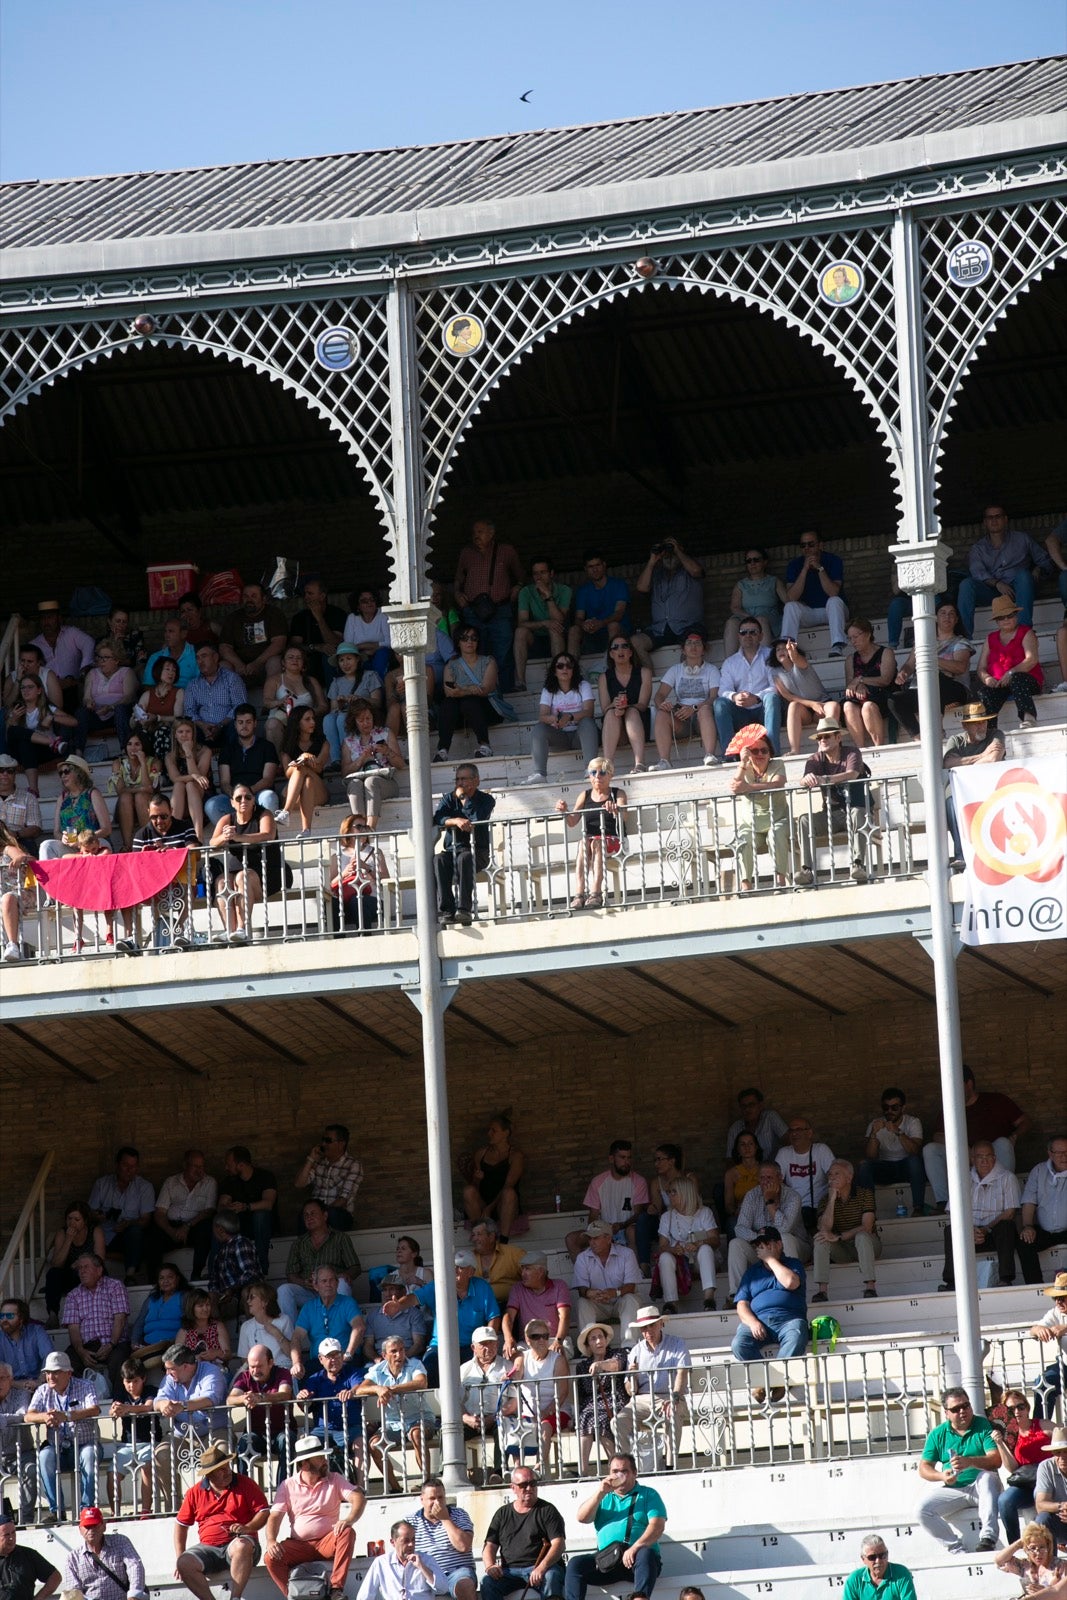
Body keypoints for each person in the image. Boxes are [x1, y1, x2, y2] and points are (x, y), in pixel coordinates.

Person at [264, 1434, 364, 1600]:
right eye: (319, 1458)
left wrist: (349, 1519)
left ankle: (336, 1589)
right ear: (305, 1464)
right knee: (270, 1557)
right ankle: (292, 1595)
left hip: (327, 1541)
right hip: (299, 1545)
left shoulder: (335, 1479)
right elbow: (275, 1517)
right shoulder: (287, 1485)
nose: (326, 1460)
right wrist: (271, 1540)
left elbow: (358, 1498)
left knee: (347, 1532)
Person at [563, 1453, 666, 1600]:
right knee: (575, 1564)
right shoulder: (603, 1497)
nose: (619, 1475)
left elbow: (657, 1526)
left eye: (624, 1471)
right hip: (607, 1561)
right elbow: (582, 1517)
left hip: (638, 1562)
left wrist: (635, 1548)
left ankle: (640, 1598)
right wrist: (600, 1492)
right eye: (615, 1472)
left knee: (646, 1554)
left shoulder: (648, 1494)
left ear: (635, 1473)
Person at [923, 1065, 1029, 1209]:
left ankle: (1004, 1194)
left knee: (1004, 1143)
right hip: (964, 1159)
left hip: (992, 1156)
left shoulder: (996, 1100)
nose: (951, 1090)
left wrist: (1015, 1136)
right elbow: (937, 1136)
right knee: (930, 1149)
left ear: (969, 1084)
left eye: (955, 1084)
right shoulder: (949, 1108)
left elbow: (1024, 1121)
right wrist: (962, 1147)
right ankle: (944, 1203)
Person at [173, 1441, 269, 1600]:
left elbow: (263, 1512)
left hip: (240, 1544)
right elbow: (181, 1526)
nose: (228, 1472)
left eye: (228, 1466)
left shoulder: (245, 1483)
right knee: (183, 1563)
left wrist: (247, 1527)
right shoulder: (194, 1493)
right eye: (221, 1470)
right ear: (209, 1474)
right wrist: (179, 1556)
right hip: (208, 1548)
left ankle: (235, 1598)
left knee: (241, 1545)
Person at [917, 1387, 1001, 1552]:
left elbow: (996, 1460)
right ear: (946, 1412)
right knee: (921, 1510)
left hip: (982, 1488)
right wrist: (942, 1476)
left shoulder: (982, 1425)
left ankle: (988, 1538)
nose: (963, 1411)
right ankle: (956, 1548)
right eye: (956, 1409)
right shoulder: (938, 1434)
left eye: (966, 1405)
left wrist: (969, 1461)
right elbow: (924, 1468)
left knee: (986, 1478)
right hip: (954, 1488)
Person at [794, 716, 873, 887]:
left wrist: (825, 779)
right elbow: (802, 781)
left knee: (858, 813)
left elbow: (852, 774)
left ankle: (858, 865)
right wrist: (807, 779)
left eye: (827, 736)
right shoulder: (814, 759)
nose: (822, 740)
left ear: (838, 738)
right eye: (819, 737)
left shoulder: (852, 752)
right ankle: (806, 869)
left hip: (856, 809)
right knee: (804, 820)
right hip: (831, 814)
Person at [400, 1252, 500, 1386]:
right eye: (452, 1266)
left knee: (479, 1376)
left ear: (471, 1272)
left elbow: (494, 1317)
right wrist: (397, 1305)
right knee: (429, 1369)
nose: (454, 1270)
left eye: (460, 1267)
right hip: (440, 1346)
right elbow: (414, 1298)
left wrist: (486, 1343)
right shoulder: (439, 1285)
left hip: (471, 1347)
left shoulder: (482, 1287)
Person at [207, 786, 292, 943]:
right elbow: (213, 842)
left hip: (268, 872)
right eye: (239, 798)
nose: (243, 801)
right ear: (232, 802)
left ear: (254, 800)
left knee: (242, 877)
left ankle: (242, 929)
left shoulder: (263, 814)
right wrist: (224, 837)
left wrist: (239, 837)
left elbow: (268, 834)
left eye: (248, 797)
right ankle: (229, 931)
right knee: (221, 881)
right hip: (239, 869)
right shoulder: (227, 819)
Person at [24, 1350, 100, 1522]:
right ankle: (57, 1511)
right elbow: (29, 1415)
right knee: (44, 1456)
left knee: (89, 1455)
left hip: (83, 1444)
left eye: (56, 1372)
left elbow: (95, 1409)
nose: (51, 1376)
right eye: (48, 1372)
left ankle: (86, 1510)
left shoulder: (85, 1385)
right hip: (57, 1447)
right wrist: (45, 1417)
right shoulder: (43, 1390)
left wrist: (66, 1416)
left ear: (68, 1373)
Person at [956, 505, 1052, 636]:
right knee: (966, 584)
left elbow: (1045, 560)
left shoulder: (1022, 539)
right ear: (985, 522)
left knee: (1024, 575)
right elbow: (977, 573)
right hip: (993, 592)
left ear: (1006, 519)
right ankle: (964, 637)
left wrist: (1038, 569)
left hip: (1020, 589)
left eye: (998, 516)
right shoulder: (978, 548)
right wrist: (997, 584)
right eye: (990, 517)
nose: (994, 520)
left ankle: (1024, 631)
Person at [939, 1140, 1021, 1291]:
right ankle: (952, 1282)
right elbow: (952, 1210)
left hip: (994, 1232)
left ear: (994, 1158)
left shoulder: (1007, 1177)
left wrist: (986, 1229)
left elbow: (1010, 1213)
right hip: (970, 1232)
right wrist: (971, 1229)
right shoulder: (962, 1178)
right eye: (979, 1157)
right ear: (972, 1159)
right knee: (950, 1230)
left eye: (988, 1156)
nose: (984, 1161)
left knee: (1007, 1226)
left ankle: (1005, 1279)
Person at [357, 1335, 436, 1490]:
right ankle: (396, 1488)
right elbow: (360, 1390)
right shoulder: (377, 1370)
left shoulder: (415, 1364)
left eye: (401, 1350)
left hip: (419, 1419)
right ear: (384, 1355)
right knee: (373, 1445)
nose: (399, 1355)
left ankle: (427, 1484)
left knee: (415, 1434)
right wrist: (377, 1388)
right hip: (392, 1424)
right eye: (393, 1351)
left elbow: (421, 1382)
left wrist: (390, 1390)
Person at [453, 519, 524, 689]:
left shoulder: (506, 551)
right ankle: (480, 690)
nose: (476, 536)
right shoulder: (466, 553)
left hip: (500, 609)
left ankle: (506, 691)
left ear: (491, 533)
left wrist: (518, 587)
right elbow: (458, 579)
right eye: (474, 533)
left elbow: (520, 575)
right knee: (476, 651)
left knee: (504, 651)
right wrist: (457, 593)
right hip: (473, 611)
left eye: (480, 532)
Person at [614, 1306, 689, 1462]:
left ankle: (671, 1465)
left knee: (672, 1412)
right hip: (642, 1400)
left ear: (661, 1323)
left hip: (669, 1395)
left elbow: (682, 1373)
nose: (647, 1331)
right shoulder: (635, 1350)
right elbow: (630, 1391)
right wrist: (632, 1375)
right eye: (643, 1328)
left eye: (652, 1325)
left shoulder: (677, 1343)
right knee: (617, 1421)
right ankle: (627, 1466)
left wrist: (674, 1397)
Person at [889, 601, 972, 739]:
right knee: (894, 699)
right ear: (936, 618)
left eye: (952, 614)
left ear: (957, 619)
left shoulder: (960, 642)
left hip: (953, 690)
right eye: (943, 613)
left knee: (935, 676)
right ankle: (919, 736)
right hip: (921, 690)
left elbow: (960, 667)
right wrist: (903, 672)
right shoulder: (923, 643)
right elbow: (909, 664)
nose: (947, 617)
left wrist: (930, 659)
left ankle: (937, 730)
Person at [481, 1468, 566, 1600]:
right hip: (510, 1572)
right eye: (523, 1485)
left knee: (551, 1577)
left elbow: (559, 1544)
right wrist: (490, 1566)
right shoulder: (502, 1514)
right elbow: (489, 1546)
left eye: (532, 1483)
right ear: (513, 1488)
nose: (529, 1488)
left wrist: (542, 1567)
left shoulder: (548, 1510)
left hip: (542, 1568)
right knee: (488, 1583)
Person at [727, 1165, 807, 1305]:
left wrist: (769, 1202)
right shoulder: (752, 1195)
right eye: (762, 1178)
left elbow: (784, 1228)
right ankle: (737, 1296)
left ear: (780, 1178)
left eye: (769, 1178)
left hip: (794, 1246)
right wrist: (758, 1240)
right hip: (763, 1248)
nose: (765, 1182)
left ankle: (791, 1288)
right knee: (735, 1244)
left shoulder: (793, 1196)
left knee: (786, 1238)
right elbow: (740, 1228)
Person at [555, 757, 626, 910]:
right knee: (583, 843)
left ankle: (596, 893)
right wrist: (565, 811)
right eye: (593, 772)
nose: (597, 776)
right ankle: (579, 894)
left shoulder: (617, 794)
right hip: (590, 841)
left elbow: (624, 816)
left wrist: (615, 809)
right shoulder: (585, 795)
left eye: (602, 772)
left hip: (613, 840)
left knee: (597, 843)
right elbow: (573, 822)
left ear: (610, 775)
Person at [731, 1227, 808, 1361]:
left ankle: (778, 1378)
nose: (762, 1247)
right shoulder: (751, 1272)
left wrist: (770, 1259)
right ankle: (767, 1376)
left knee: (797, 1335)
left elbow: (791, 1283)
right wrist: (753, 1322)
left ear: (779, 1244)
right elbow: (742, 1304)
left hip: (789, 1321)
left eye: (767, 1243)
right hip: (759, 1322)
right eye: (759, 1245)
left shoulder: (793, 1264)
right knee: (739, 1344)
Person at [727, 724, 789, 891]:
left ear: (770, 753)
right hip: (751, 824)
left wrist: (748, 788)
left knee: (776, 835)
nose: (760, 754)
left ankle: (780, 881)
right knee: (743, 840)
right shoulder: (744, 768)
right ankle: (746, 885)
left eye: (764, 750)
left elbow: (778, 784)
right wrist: (742, 763)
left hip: (778, 819)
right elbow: (734, 787)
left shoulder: (778, 764)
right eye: (755, 751)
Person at [942, 702, 1006, 865]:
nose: (982, 726)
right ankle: (961, 855)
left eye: (983, 721)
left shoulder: (996, 734)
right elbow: (948, 763)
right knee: (951, 803)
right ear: (965, 725)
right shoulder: (955, 740)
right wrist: (982, 755)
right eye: (976, 723)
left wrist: (963, 764)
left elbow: (993, 759)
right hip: (964, 792)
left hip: (991, 789)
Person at [277, 1200, 359, 1325]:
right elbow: (291, 1275)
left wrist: (343, 1275)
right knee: (284, 1290)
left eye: (313, 1213)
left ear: (325, 1216)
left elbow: (355, 1267)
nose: (309, 1218)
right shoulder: (299, 1243)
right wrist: (304, 1282)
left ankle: (339, 1327)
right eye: (306, 1215)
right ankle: (291, 1339)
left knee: (342, 1283)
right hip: (309, 1292)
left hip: (332, 1289)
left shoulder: (340, 1238)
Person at [566, 1140, 649, 1262]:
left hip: (627, 1229)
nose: (627, 1162)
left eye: (629, 1158)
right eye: (622, 1157)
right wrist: (601, 1229)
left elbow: (638, 1215)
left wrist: (621, 1225)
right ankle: (582, 1277)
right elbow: (593, 1216)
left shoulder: (639, 1181)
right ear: (611, 1159)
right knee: (571, 1239)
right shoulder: (598, 1182)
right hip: (604, 1231)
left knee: (632, 1232)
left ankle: (636, 1273)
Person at [811, 1160, 881, 1302]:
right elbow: (824, 1229)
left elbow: (867, 1226)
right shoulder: (824, 1200)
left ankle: (870, 1287)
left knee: (861, 1236)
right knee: (820, 1238)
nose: (832, 1177)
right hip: (843, 1250)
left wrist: (840, 1237)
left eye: (837, 1174)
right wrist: (831, 1199)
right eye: (830, 1174)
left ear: (849, 1178)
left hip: (868, 1245)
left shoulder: (865, 1194)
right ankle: (822, 1292)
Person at [62, 1251, 131, 1396]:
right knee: (67, 1362)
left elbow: (120, 1319)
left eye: (86, 1267)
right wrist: (81, 1351)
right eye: (80, 1268)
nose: (82, 1271)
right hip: (87, 1345)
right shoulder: (73, 1295)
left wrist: (111, 1344)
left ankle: (119, 1403)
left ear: (99, 1270)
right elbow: (73, 1328)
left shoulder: (115, 1286)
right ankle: (76, 1404)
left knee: (119, 1361)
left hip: (114, 1342)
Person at [631, 537, 706, 668]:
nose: (669, 555)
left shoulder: (689, 570)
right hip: (660, 629)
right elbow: (641, 587)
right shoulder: (656, 574)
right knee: (635, 642)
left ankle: (686, 682)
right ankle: (651, 683)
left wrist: (677, 550)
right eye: (666, 552)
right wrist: (652, 561)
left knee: (691, 646)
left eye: (671, 550)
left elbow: (696, 571)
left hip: (688, 627)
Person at [651, 627, 720, 769]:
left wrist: (694, 708)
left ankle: (709, 755)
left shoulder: (712, 670)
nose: (693, 646)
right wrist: (661, 704)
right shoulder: (675, 670)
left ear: (703, 649)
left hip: (702, 717)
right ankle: (664, 761)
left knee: (705, 709)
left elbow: (714, 697)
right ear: (683, 649)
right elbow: (659, 695)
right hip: (681, 717)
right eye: (689, 643)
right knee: (661, 714)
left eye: (697, 643)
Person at [294, 1338, 365, 1474]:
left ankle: (360, 1487)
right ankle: (309, 1486)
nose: (333, 1360)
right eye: (329, 1356)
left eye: (337, 1355)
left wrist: (352, 1392)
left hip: (351, 1428)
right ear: (321, 1359)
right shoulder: (314, 1379)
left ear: (342, 1355)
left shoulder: (353, 1372)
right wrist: (302, 1398)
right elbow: (306, 1408)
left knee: (360, 1444)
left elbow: (360, 1386)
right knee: (304, 1443)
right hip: (322, 1430)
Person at [714, 621, 783, 757]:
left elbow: (777, 686)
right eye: (743, 632)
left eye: (753, 632)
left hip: (763, 709)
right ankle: (730, 756)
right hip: (741, 711)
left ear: (761, 636)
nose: (748, 635)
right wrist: (735, 697)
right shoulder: (730, 662)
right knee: (719, 703)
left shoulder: (771, 655)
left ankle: (772, 752)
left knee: (772, 697)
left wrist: (756, 698)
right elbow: (723, 690)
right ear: (738, 636)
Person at [528, 653, 599, 783]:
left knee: (588, 722)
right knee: (539, 728)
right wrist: (553, 719)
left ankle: (591, 770)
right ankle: (540, 774)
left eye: (569, 665)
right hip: (559, 736)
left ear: (574, 669)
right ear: (554, 671)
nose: (565, 669)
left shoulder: (583, 685)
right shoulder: (548, 689)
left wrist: (570, 717)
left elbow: (589, 712)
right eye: (560, 666)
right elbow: (542, 716)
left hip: (580, 736)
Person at [992, 1388, 1051, 1544]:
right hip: (1026, 1483)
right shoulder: (1009, 1436)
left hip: (1047, 1480)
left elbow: (1062, 1438)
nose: (1017, 1411)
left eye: (1021, 1407)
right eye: (1011, 1409)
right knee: (1004, 1500)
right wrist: (1000, 1443)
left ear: (1027, 1408)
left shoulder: (1042, 1425)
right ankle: (1016, 1544)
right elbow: (1012, 1468)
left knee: (1042, 1504)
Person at [974, 594, 1043, 726]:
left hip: (1026, 680)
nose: (1006, 619)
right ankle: (990, 730)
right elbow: (981, 667)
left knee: (1017, 679)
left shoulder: (1026, 632)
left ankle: (1028, 718)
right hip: (1000, 684)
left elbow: (1031, 659)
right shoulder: (990, 638)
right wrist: (987, 678)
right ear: (996, 621)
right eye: (1001, 617)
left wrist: (1011, 672)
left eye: (1010, 615)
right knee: (985, 693)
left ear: (1016, 616)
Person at [226, 1344, 294, 1478]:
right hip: (255, 1433)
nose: (255, 1370)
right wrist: (244, 1398)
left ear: (270, 1362)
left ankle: (283, 1491)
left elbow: (285, 1394)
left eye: (259, 1366)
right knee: (244, 1444)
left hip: (281, 1431)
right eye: (252, 1366)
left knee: (287, 1440)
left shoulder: (283, 1373)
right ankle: (244, 1492)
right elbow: (230, 1399)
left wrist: (261, 1397)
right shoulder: (244, 1377)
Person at [208, 704, 281, 827]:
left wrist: (247, 793)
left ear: (255, 723)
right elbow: (225, 782)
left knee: (269, 797)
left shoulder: (267, 746)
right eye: (240, 722)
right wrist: (236, 796)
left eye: (248, 722)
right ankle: (233, 840)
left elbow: (268, 779)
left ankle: (267, 835)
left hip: (258, 794)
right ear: (235, 724)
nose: (244, 726)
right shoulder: (227, 749)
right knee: (212, 805)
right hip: (234, 797)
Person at [88, 1149, 155, 1283]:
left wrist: (128, 1224)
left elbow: (146, 1220)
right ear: (117, 1165)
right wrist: (99, 1216)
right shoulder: (102, 1184)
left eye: (133, 1166)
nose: (129, 1169)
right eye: (125, 1165)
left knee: (136, 1233)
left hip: (129, 1236)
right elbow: (90, 1213)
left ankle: (130, 1275)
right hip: (105, 1235)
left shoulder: (144, 1187)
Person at [457, 1325, 514, 1480]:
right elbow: (454, 1400)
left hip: (496, 1417)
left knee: (503, 1426)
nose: (488, 1347)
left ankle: (499, 1472)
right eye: (483, 1344)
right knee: (449, 1429)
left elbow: (515, 1399)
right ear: (473, 1347)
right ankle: (451, 1473)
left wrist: (494, 1417)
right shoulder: (464, 1370)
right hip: (471, 1419)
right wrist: (465, 1417)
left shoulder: (508, 1367)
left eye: (491, 1343)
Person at [288, 1268, 365, 1385]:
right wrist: (297, 1362)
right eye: (324, 1281)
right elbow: (296, 1337)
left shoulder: (348, 1303)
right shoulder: (309, 1308)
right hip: (319, 1362)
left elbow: (359, 1327)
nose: (328, 1284)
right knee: (301, 1379)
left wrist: (348, 1354)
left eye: (331, 1280)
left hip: (345, 1360)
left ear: (337, 1283)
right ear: (316, 1285)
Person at [435, 626, 501, 762]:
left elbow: (486, 689)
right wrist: (471, 689)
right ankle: (442, 750)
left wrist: (463, 691)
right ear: (458, 642)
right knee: (448, 703)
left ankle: (485, 746)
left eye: (473, 638)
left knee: (469, 702)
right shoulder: (451, 665)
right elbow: (449, 692)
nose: (469, 641)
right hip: (460, 714)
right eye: (464, 638)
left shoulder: (489, 661)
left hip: (488, 710)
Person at [857, 1089, 926, 1217]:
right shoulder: (875, 1123)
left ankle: (918, 1208)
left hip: (906, 1167)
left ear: (903, 1108)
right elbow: (871, 1156)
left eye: (894, 1107)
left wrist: (898, 1132)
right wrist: (873, 1134)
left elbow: (914, 1151)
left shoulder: (913, 1122)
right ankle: (869, 1213)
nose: (889, 1111)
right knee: (864, 1165)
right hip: (885, 1168)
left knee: (915, 1161)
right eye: (886, 1107)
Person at [654, 1177, 719, 1313]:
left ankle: (709, 1300)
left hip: (699, 1261)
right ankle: (671, 1304)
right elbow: (661, 1247)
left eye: (674, 1192)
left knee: (706, 1249)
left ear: (685, 1193)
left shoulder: (704, 1212)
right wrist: (673, 1249)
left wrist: (699, 1243)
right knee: (665, 1257)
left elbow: (715, 1240)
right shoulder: (667, 1216)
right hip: (680, 1262)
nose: (669, 1195)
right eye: (669, 1192)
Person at [150, 1149, 217, 1279]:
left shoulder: (210, 1183)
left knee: (206, 1228)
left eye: (202, 1166)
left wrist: (187, 1226)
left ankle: (196, 1275)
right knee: (153, 1235)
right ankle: (155, 1280)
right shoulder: (171, 1182)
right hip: (172, 1228)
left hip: (194, 1227)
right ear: (185, 1165)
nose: (199, 1170)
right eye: (195, 1166)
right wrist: (171, 1231)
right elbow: (159, 1212)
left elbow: (210, 1212)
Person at [106, 1356, 160, 1516]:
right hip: (126, 1445)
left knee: (146, 1467)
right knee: (111, 1474)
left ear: (143, 1379)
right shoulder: (120, 1395)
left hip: (149, 1442)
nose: (131, 1385)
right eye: (127, 1381)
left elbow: (148, 1407)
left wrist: (127, 1409)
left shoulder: (151, 1390)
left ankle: (145, 1510)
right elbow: (112, 1411)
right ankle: (115, 1513)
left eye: (135, 1381)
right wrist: (115, 1410)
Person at [780, 530, 849, 656]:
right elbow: (791, 597)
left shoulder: (833, 560)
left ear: (820, 545)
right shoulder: (795, 565)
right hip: (809, 613)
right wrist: (805, 569)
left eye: (811, 544)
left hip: (833, 611)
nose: (807, 548)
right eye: (803, 545)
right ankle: (786, 648)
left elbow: (833, 592)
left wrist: (819, 568)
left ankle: (837, 646)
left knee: (834, 601)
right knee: (790, 606)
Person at [410, 1477, 477, 1600]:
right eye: (432, 1498)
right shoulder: (411, 1522)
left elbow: (463, 1546)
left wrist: (445, 1518)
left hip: (457, 1572)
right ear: (422, 1500)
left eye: (440, 1498)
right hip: (426, 1574)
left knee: (465, 1585)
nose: (437, 1502)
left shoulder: (459, 1514)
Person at [340, 698, 404, 827]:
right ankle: (359, 827)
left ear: (373, 717)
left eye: (368, 718)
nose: (365, 723)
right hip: (360, 782)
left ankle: (370, 829)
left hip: (386, 783)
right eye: (361, 720)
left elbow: (401, 764)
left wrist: (387, 751)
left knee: (371, 781)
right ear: (354, 722)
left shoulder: (385, 733)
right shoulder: (349, 742)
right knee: (354, 784)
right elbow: (344, 772)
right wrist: (361, 759)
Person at [769, 637, 837, 756]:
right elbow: (788, 696)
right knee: (793, 705)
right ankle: (794, 750)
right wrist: (811, 704)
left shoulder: (801, 663)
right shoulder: (776, 673)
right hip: (804, 710)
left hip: (822, 703)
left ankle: (828, 745)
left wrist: (793, 653)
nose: (781, 651)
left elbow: (796, 659)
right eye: (777, 650)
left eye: (784, 648)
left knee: (834, 706)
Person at [62, 1505, 147, 1600]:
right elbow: (74, 1593)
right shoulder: (73, 1558)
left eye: (95, 1525)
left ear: (104, 1526)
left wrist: (133, 1596)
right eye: (87, 1526)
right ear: (80, 1529)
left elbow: (135, 1567)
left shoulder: (121, 1542)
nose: (91, 1530)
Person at [573, 1323, 625, 1477]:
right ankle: (583, 1473)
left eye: (600, 1337)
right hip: (591, 1405)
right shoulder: (582, 1366)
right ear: (588, 1344)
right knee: (586, 1417)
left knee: (600, 1419)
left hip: (614, 1401)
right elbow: (581, 1394)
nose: (598, 1341)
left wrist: (600, 1365)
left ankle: (617, 1468)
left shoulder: (618, 1354)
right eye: (593, 1339)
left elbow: (617, 1365)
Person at [461, 1114, 523, 1242]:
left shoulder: (515, 1156)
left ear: (505, 1133)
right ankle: (480, 1238)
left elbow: (508, 1185)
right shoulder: (481, 1153)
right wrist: (477, 1179)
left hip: (504, 1205)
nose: (489, 1133)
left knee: (509, 1193)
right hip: (484, 1203)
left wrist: (490, 1208)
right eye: (489, 1130)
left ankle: (503, 1241)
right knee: (468, 1191)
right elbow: (474, 1187)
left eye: (494, 1130)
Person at [43, 1202, 106, 1327]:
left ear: (85, 1221)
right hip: (69, 1274)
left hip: (88, 1273)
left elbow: (100, 1258)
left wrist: (82, 1262)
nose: (72, 1223)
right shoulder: (62, 1233)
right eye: (69, 1219)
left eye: (77, 1219)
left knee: (91, 1272)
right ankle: (53, 1314)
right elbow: (56, 1263)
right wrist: (68, 1239)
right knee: (52, 1274)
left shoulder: (95, 1231)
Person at [513, 559, 572, 691]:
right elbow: (521, 623)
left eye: (543, 572)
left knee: (554, 628)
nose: (538, 577)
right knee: (520, 632)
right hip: (535, 640)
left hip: (558, 638)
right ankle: (520, 682)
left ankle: (559, 679)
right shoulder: (526, 592)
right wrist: (544, 623)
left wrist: (548, 597)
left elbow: (560, 620)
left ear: (551, 574)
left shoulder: (564, 590)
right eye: (535, 574)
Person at [38, 754, 111, 860]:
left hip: (92, 845)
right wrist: (63, 838)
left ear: (78, 773)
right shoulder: (62, 798)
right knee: (46, 845)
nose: (63, 776)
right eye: (61, 773)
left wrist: (84, 840)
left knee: (104, 845)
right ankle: (50, 876)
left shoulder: (92, 794)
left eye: (66, 771)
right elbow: (56, 832)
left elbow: (106, 829)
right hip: (71, 846)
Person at [218, 1146, 277, 1276]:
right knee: (220, 1220)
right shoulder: (229, 1181)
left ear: (241, 1165)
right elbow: (221, 1206)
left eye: (228, 1164)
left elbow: (268, 1203)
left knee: (261, 1216)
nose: (226, 1168)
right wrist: (228, 1208)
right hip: (239, 1226)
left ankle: (261, 1268)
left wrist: (246, 1207)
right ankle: (218, 1271)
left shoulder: (265, 1176)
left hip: (263, 1226)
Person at [572, 1223, 641, 1336]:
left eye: (596, 1238)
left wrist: (615, 1293)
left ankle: (629, 1346)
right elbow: (581, 1290)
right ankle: (587, 1348)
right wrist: (589, 1293)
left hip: (620, 1301)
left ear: (608, 1238)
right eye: (590, 1238)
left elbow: (631, 1287)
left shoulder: (627, 1254)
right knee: (582, 1302)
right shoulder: (582, 1258)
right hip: (598, 1304)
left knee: (630, 1299)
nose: (592, 1242)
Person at [597, 635, 652, 772]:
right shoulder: (604, 677)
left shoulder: (644, 672)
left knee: (632, 712)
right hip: (616, 728)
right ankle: (607, 766)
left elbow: (642, 704)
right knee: (610, 713)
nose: (620, 650)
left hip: (638, 724)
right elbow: (605, 708)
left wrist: (626, 707)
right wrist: (615, 705)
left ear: (631, 652)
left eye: (624, 646)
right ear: (611, 654)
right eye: (615, 647)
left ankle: (640, 764)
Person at [1018, 1135, 1067, 1287]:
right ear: (1050, 1154)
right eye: (1059, 1153)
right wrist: (1027, 1226)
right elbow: (1029, 1201)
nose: (1064, 1156)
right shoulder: (1039, 1171)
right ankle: (1035, 1287)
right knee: (1024, 1242)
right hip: (1045, 1231)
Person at [30, 601, 95, 715]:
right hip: (48, 692)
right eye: (43, 618)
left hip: (74, 686)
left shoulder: (71, 633)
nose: (46, 622)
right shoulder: (34, 645)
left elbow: (89, 643)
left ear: (59, 618)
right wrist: (55, 683)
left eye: (50, 617)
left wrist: (84, 668)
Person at [841, 618, 896, 749]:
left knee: (868, 707)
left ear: (868, 634)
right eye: (850, 638)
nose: (853, 641)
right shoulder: (850, 659)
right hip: (860, 697)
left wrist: (860, 680)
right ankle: (860, 749)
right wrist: (859, 685)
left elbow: (885, 680)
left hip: (883, 696)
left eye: (856, 636)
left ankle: (879, 747)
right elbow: (850, 686)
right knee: (848, 706)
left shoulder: (886, 653)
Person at [502, 1256, 571, 1360]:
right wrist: (508, 1339)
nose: (522, 1274)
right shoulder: (517, 1288)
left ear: (540, 1272)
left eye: (527, 1269)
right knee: (512, 1355)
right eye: (522, 1269)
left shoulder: (559, 1286)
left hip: (553, 1339)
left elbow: (564, 1317)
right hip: (528, 1342)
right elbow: (509, 1317)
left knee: (557, 1355)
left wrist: (559, 1341)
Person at [296, 1125, 363, 1231]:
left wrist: (321, 1215)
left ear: (341, 1144)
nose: (323, 1144)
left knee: (332, 1214)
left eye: (328, 1140)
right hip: (317, 1213)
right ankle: (305, 1247)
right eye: (323, 1140)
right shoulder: (318, 1162)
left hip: (339, 1213)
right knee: (303, 1216)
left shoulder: (353, 1165)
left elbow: (343, 1200)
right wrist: (311, 1159)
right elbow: (299, 1184)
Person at [219, 583, 288, 686]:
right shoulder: (233, 618)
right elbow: (224, 647)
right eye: (246, 596)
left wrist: (257, 663)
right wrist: (239, 664)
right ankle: (227, 701)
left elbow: (279, 643)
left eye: (254, 596)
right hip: (239, 666)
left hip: (265, 664)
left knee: (275, 662)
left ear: (264, 599)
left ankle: (271, 699)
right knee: (223, 665)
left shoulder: (274, 614)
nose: (249, 600)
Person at [263, 645, 327, 755]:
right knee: (271, 724)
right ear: (283, 662)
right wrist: (279, 702)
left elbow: (323, 706)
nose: (295, 660)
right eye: (290, 657)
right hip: (282, 718)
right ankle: (278, 763)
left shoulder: (311, 681)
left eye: (299, 658)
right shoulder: (275, 680)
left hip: (305, 721)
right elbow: (267, 702)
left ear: (304, 662)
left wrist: (308, 714)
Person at [77, 640, 138, 752]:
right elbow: (86, 697)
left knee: (121, 710)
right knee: (82, 712)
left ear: (116, 660)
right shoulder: (92, 673)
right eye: (99, 657)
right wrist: (89, 702)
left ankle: (125, 750)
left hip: (118, 714)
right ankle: (78, 752)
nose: (101, 661)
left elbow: (129, 697)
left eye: (106, 657)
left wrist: (111, 707)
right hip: (97, 714)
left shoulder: (126, 672)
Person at [567, 552, 631, 658]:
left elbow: (619, 613)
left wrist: (601, 623)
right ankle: (570, 670)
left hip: (618, 634)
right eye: (591, 566)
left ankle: (611, 667)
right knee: (574, 629)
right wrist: (583, 624)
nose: (595, 569)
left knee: (613, 625)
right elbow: (578, 618)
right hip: (593, 634)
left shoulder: (619, 584)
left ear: (604, 565)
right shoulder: (583, 591)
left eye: (598, 565)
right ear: (585, 569)